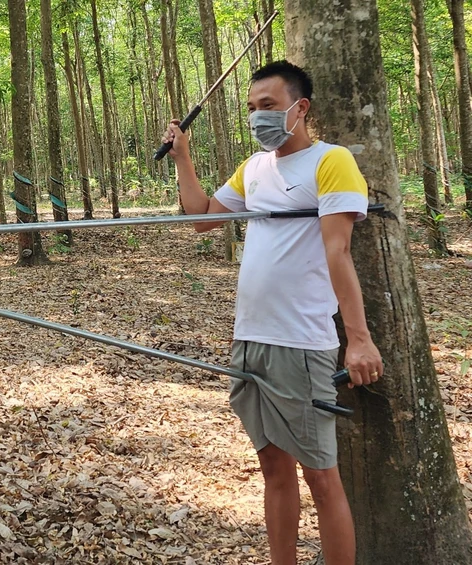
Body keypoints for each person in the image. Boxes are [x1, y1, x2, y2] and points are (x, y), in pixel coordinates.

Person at [161, 60, 383, 565]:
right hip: (250, 339)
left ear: (299, 108)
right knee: (273, 469)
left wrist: (359, 338)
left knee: (321, 477)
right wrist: (183, 159)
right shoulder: (254, 168)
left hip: (301, 343)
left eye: (269, 105)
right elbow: (203, 219)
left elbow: (338, 252)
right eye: (252, 108)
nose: (258, 116)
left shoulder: (331, 160)